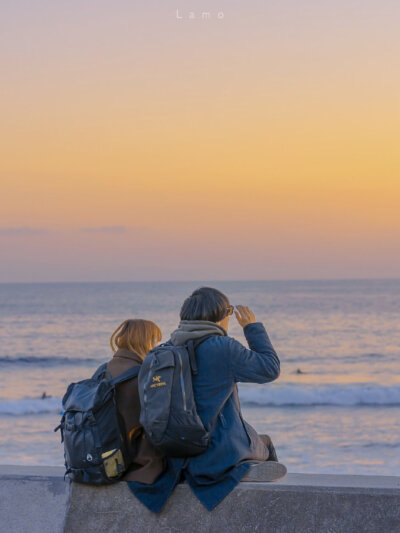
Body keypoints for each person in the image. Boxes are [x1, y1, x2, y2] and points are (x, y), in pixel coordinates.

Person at [127, 287, 286, 512]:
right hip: (215, 454)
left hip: (172, 454)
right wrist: (251, 327)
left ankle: (246, 461)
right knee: (265, 442)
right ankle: (248, 475)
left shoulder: (162, 352)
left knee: (255, 438)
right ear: (221, 316)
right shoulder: (223, 348)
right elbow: (270, 369)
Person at [106, 318, 164, 483]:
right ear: (146, 341)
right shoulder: (144, 374)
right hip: (136, 462)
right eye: (156, 340)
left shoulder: (103, 369)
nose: (157, 345)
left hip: (106, 456)